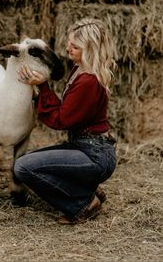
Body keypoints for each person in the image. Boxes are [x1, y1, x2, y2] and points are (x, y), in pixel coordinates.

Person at [14, 18, 117, 224]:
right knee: (28, 159)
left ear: (90, 49)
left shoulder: (88, 81)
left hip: (94, 156)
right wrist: (37, 94)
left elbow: (61, 119)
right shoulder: (80, 69)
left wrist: (43, 87)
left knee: (23, 167)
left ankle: (82, 203)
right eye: (69, 42)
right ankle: (85, 188)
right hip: (85, 147)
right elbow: (68, 109)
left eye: (75, 46)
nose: (68, 48)